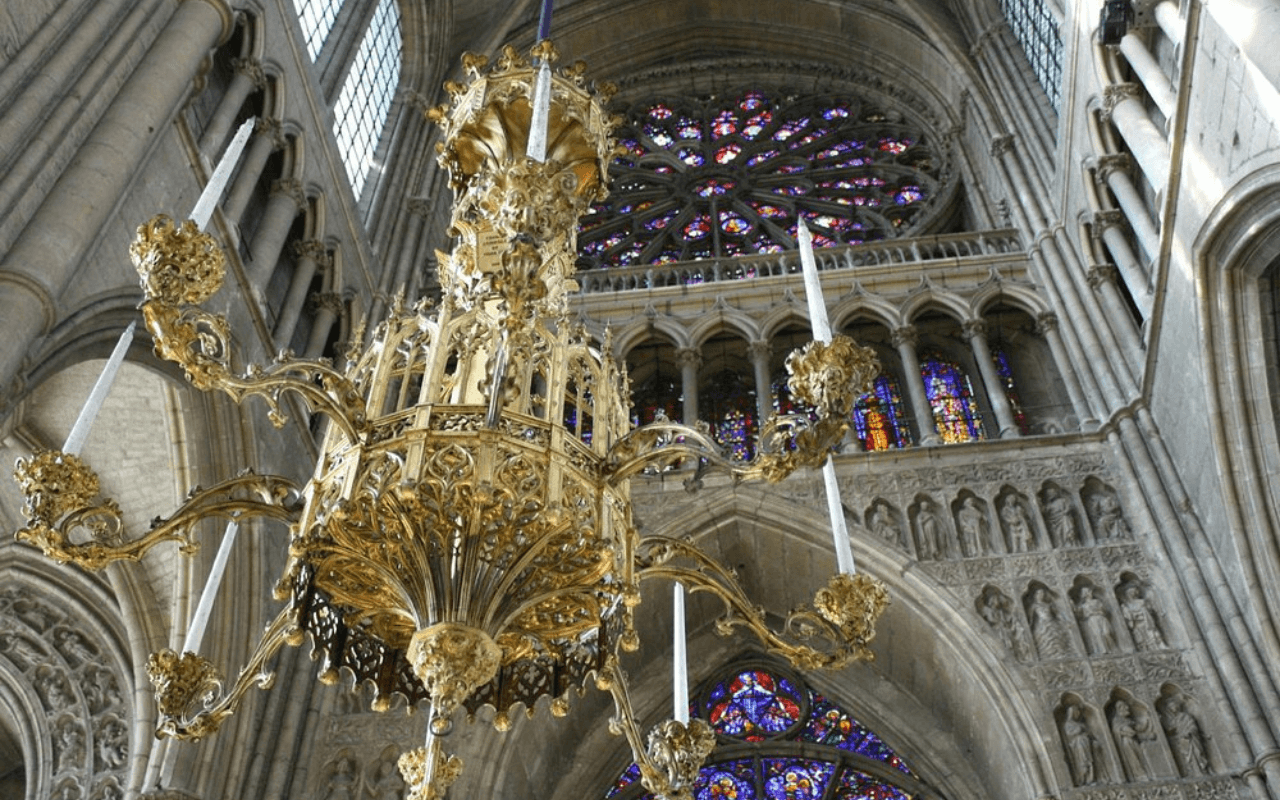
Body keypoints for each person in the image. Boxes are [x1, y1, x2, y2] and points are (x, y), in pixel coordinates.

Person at [1162, 699, 1209, 776]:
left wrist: (1189, 732)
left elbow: (1193, 726)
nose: (1172, 709)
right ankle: (1193, 772)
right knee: (1188, 758)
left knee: (1196, 754)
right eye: (1170, 708)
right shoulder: (1175, 720)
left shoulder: (1185, 716)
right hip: (1183, 741)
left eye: (1173, 707)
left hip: (1191, 739)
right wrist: (1162, 720)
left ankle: (1201, 770)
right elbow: (1170, 729)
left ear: (1177, 707)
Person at [1110, 700, 1151, 780]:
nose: (1127, 708)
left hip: (1133, 742)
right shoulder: (1117, 721)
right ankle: (1138, 774)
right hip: (1126, 744)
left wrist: (1148, 720)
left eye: (1127, 706)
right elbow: (1131, 732)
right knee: (1133, 759)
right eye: (1125, 707)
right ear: (1119, 709)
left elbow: (1140, 728)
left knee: (1140, 756)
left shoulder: (1128, 720)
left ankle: (1143, 773)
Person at [1120, 583, 1167, 650]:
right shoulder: (1125, 605)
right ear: (1127, 594)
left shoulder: (1141, 602)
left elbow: (1150, 610)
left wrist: (1145, 610)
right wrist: (1133, 616)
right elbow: (1127, 617)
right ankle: (1144, 650)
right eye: (1130, 592)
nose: (1132, 594)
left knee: (1153, 635)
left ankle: (1159, 646)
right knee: (1141, 640)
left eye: (1134, 592)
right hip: (1137, 625)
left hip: (1146, 622)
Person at [1029, 589, 1073, 659]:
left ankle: (1060, 653)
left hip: (1051, 622)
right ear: (1036, 595)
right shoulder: (1034, 606)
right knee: (1046, 639)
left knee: (1056, 636)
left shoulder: (1048, 604)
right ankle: (1049, 655)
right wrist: (1030, 626)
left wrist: (1065, 621)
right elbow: (1031, 618)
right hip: (1042, 624)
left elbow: (1057, 614)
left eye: (1042, 594)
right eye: (1039, 594)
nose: (1041, 595)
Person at [1075, 586, 1117, 655]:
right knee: (1097, 635)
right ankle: (1102, 651)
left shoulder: (1097, 601)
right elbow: (1083, 616)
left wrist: (1099, 612)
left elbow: (1104, 610)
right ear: (1085, 594)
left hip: (1101, 618)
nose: (1090, 594)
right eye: (1088, 592)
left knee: (1106, 633)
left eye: (1090, 592)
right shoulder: (1084, 605)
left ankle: (1113, 649)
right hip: (1092, 620)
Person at [1061, 704, 1095, 785]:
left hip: (1085, 745)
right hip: (1077, 747)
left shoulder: (1080, 723)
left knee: (1088, 762)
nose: (1078, 713)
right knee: (1082, 763)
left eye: (1078, 712)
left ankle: (1090, 779)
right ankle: (1083, 779)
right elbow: (1069, 734)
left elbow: (1089, 733)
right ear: (1071, 713)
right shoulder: (1068, 724)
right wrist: (1079, 729)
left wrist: (1086, 733)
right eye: (1076, 711)